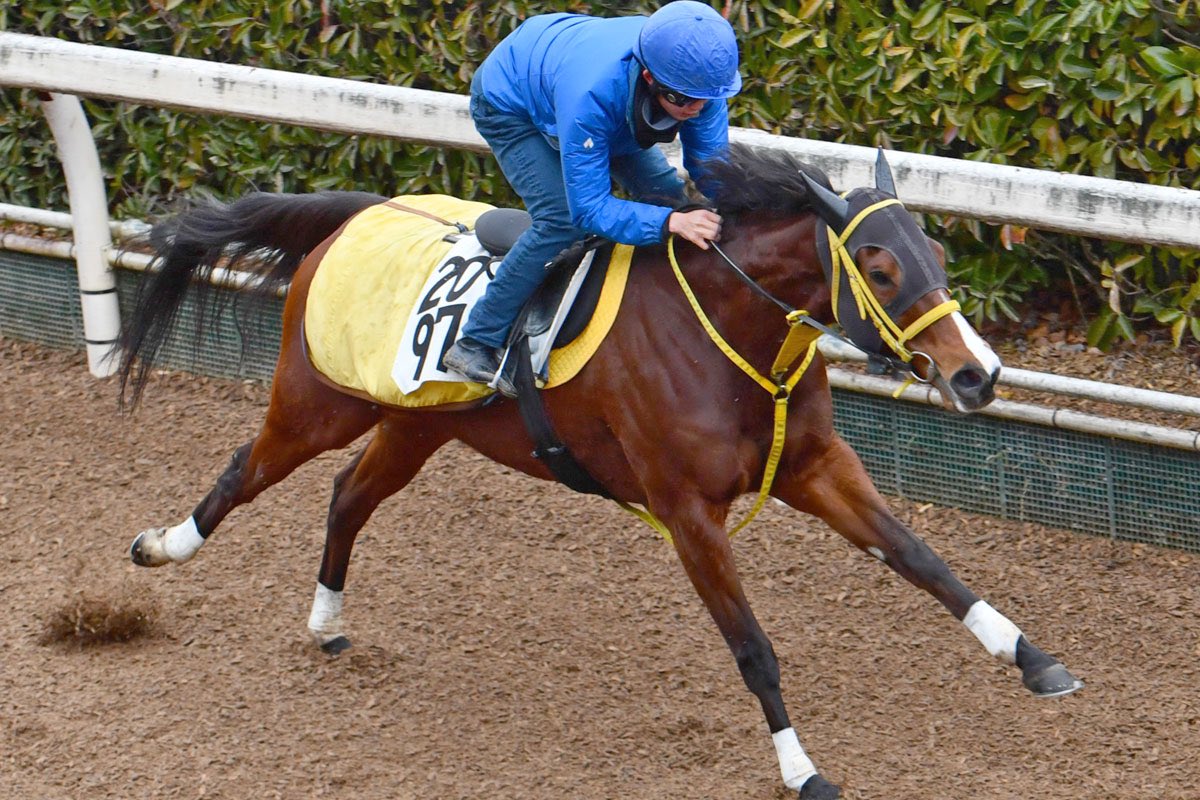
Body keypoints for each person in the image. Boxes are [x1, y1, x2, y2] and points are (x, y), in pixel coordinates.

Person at [442, 1, 741, 392]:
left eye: (705, 101)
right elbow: (588, 209)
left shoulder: (701, 86)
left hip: (593, 91)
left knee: (672, 199)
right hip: (512, 102)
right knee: (560, 220)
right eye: (684, 100)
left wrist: (741, 207)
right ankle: (476, 339)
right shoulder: (591, 94)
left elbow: (711, 169)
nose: (696, 110)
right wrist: (670, 222)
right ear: (650, 77)